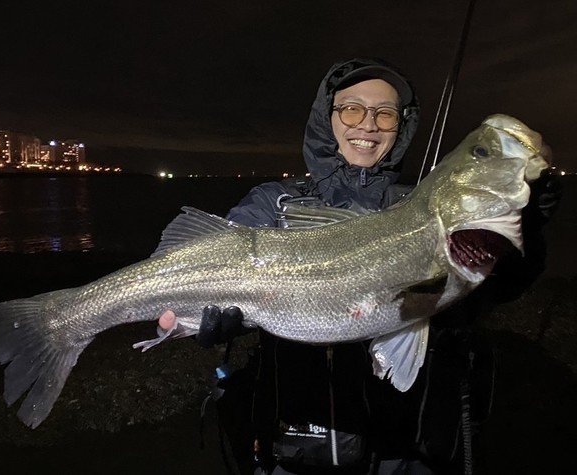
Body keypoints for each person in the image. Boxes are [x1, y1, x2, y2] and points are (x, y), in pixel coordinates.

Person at [157, 58, 561, 474]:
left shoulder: (417, 207)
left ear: (400, 128)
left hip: (406, 452)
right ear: (326, 119)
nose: (367, 125)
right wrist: (212, 320)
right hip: (295, 448)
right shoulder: (274, 204)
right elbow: (208, 271)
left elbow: (500, 287)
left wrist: (528, 227)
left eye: (384, 115)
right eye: (352, 109)